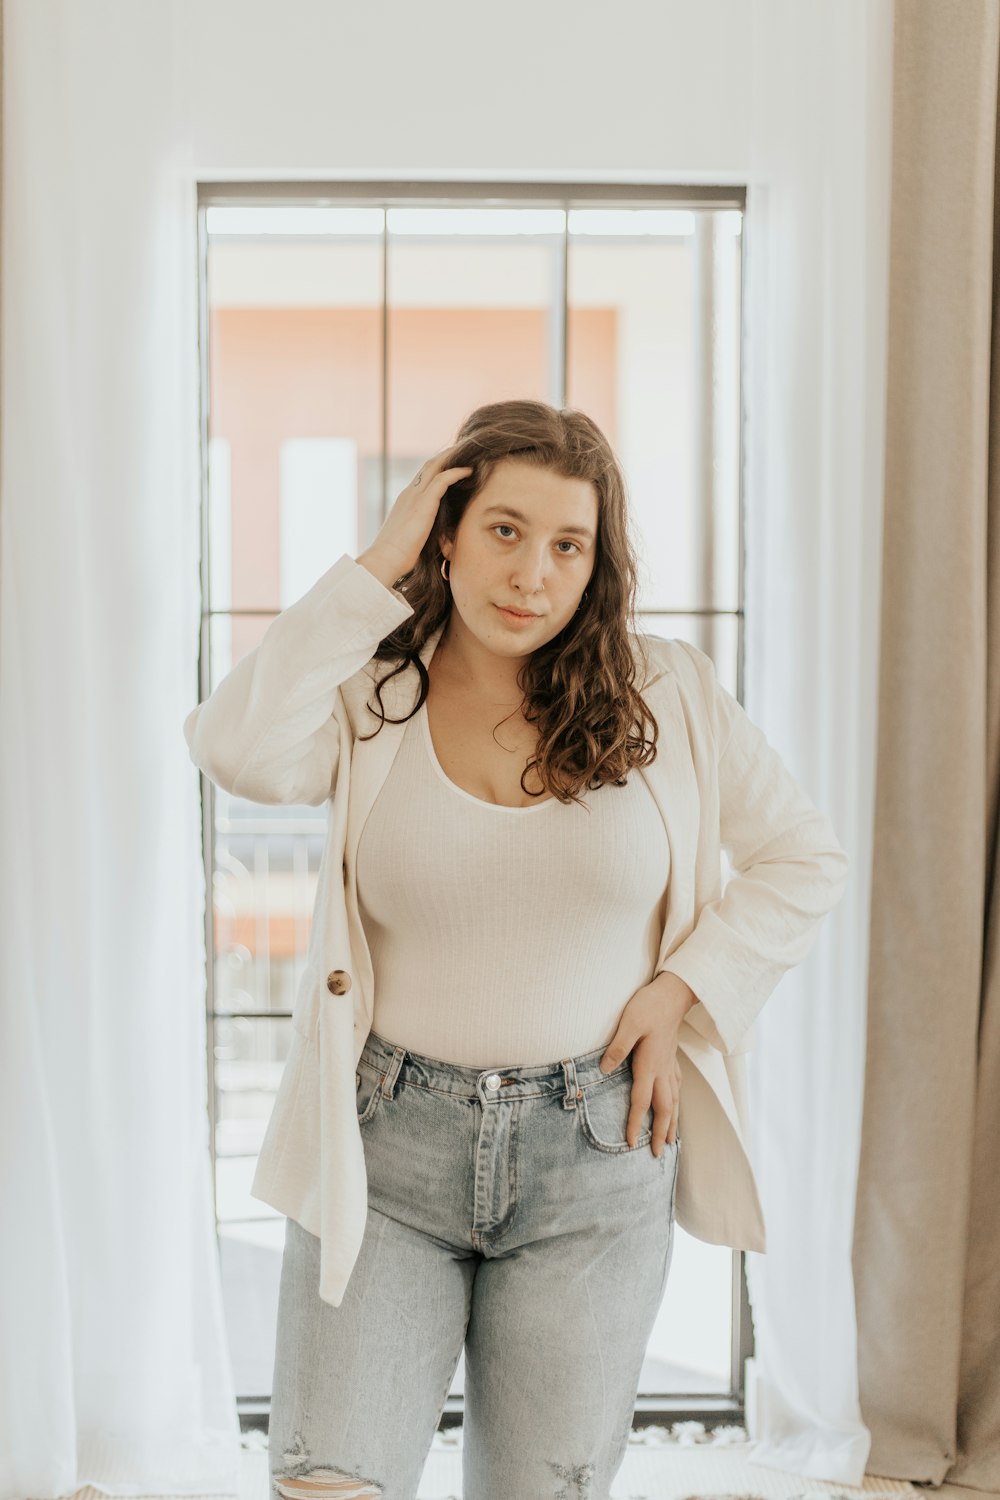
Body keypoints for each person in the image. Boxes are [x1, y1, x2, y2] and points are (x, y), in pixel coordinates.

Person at [183, 398, 850, 1500]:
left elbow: (802, 857)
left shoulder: (668, 692)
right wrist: (374, 566)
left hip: (593, 1153)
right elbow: (236, 749)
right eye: (501, 530)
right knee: (325, 1481)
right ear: (441, 530)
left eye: (566, 545)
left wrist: (681, 989)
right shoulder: (371, 692)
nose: (530, 572)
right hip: (384, 1150)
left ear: (596, 565)